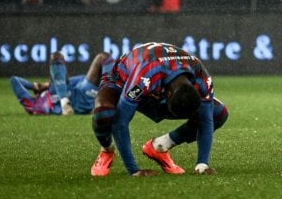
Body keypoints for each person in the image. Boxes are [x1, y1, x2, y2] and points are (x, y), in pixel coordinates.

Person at [90, 42, 229, 177]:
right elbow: (120, 122)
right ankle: (107, 149)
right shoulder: (145, 75)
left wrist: (202, 165)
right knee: (104, 113)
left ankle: (160, 146)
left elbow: (205, 120)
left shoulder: (202, 79)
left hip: (158, 86)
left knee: (218, 113)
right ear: (166, 95)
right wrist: (133, 170)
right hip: (123, 81)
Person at [10, 51, 108, 115]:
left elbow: (82, 79)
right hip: (78, 101)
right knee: (56, 56)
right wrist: (33, 86)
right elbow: (14, 80)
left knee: (103, 57)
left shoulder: (54, 86)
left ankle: (107, 102)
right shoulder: (33, 105)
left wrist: (45, 85)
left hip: (80, 96)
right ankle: (65, 103)